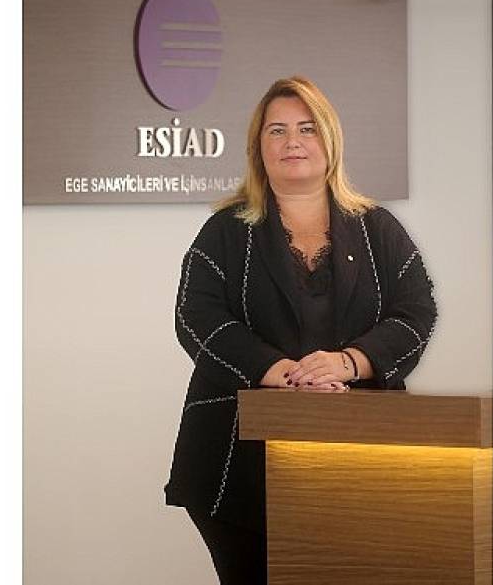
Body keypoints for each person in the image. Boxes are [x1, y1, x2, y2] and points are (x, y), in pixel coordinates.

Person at [164, 75, 438, 585]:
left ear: (329, 141)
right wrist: (279, 372)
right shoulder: (225, 231)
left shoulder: (379, 228)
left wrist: (349, 363)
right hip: (236, 459)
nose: (293, 141)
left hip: (358, 455)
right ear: (258, 148)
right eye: (277, 130)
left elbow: (416, 313)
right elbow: (196, 318)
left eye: (307, 128)